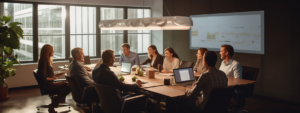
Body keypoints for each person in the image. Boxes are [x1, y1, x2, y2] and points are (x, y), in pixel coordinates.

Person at [37, 44, 71, 113]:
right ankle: (54, 102)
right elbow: (44, 78)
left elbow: (50, 75)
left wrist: (62, 73)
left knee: (68, 84)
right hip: (47, 86)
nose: (53, 51)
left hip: (49, 83)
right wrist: (53, 78)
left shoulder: (46, 61)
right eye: (52, 50)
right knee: (69, 85)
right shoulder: (44, 62)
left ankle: (54, 102)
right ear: (48, 52)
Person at [219, 44, 244, 113]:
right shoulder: (222, 63)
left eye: (221, 51)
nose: (219, 53)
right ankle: (229, 105)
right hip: (223, 85)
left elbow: (238, 80)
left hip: (231, 87)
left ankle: (236, 107)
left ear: (226, 53)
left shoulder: (236, 64)